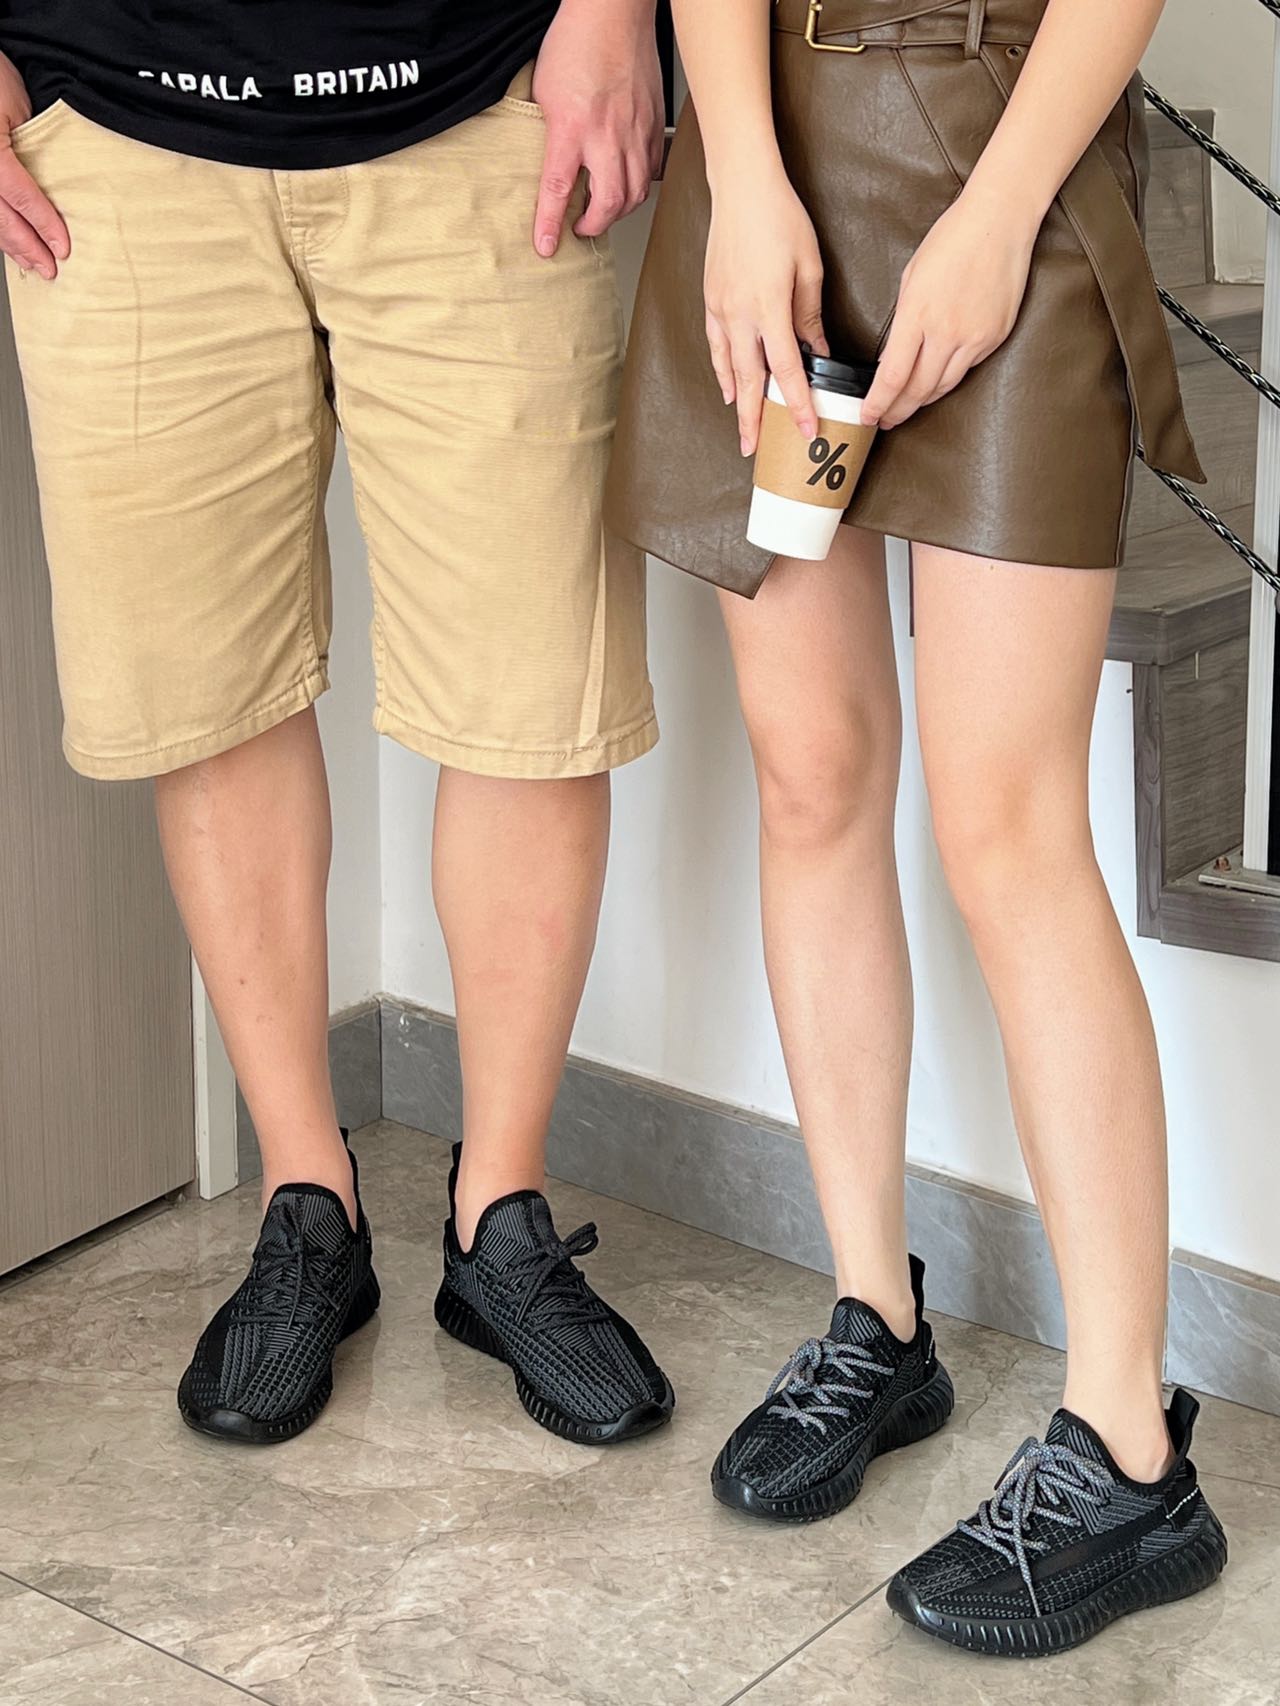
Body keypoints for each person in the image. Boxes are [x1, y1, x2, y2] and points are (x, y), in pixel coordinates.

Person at [606, 0, 1227, 1656]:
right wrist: (743, 174)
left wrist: (1004, 209)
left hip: (1004, 148)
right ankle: (875, 1319)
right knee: (809, 770)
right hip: (774, 165)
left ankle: (1130, 1450)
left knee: (1007, 830)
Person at [0, 0, 674, 1448]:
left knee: (529, 689)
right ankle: (309, 1203)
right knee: (209, 694)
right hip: (114, 121)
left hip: (481, 92)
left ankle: (500, 1218)